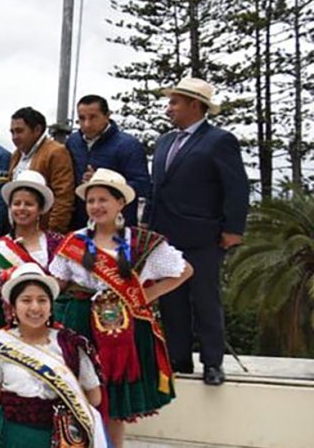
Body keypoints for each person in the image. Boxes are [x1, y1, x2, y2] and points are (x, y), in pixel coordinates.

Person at [51, 168, 192, 447]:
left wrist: (148, 294)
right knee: (82, 391)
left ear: (120, 203)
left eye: (103, 199)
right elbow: (58, 282)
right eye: (91, 200)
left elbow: (184, 270)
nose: (96, 206)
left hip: (125, 329)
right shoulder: (75, 241)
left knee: (114, 398)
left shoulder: (141, 242)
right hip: (82, 324)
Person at [144, 77, 248, 386]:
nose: (169, 108)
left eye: (175, 102)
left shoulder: (219, 140)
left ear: (194, 105)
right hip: (167, 237)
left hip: (203, 236)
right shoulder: (164, 143)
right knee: (171, 300)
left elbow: (236, 187)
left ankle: (213, 362)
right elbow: (157, 189)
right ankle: (179, 358)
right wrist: (150, 227)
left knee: (205, 299)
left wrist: (233, 229)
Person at [0, 264, 108, 448]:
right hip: (14, 436)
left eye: (42, 300)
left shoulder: (70, 343)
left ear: (51, 306)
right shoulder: (0, 343)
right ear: (13, 306)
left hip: (60, 438)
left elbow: (94, 398)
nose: (35, 308)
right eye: (26, 300)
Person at [65, 94, 151, 229]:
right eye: (81, 119)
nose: (87, 124)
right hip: (79, 225)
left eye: (93, 117)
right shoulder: (73, 142)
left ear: (107, 115)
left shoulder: (128, 145)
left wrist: (105, 182)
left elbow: (142, 186)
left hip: (117, 228)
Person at [0, 170, 63, 290]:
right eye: (16, 203)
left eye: (28, 204)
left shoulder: (57, 243)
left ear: (40, 209)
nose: (22, 208)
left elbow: (64, 284)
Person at [8, 107, 75, 232]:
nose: (14, 137)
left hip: (43, 233)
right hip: (17, 230)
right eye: (12, 132)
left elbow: (63, 198)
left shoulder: (56, 152)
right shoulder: (16, 155)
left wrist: (53, 233)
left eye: (19, 131)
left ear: (37, 130)